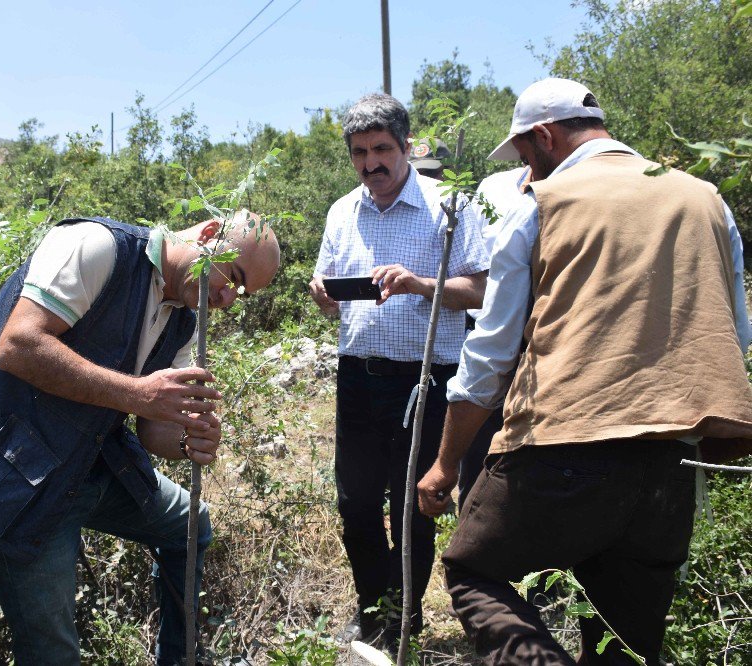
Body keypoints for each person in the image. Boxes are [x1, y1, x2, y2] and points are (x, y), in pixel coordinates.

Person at [417, 77, 752, 664]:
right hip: (672, 460)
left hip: (564, 446)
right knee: (623, 639)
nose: (527, 176)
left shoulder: (540, 207)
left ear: (544, 137)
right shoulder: (707, 200)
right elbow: (736, 337)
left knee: (474, 572)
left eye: (526, 160)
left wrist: (445, 465)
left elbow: (489, 359)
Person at [0, 212, 280, 665]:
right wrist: (140, 393)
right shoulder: (97, 246)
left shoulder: (183, 318)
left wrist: (186, 441)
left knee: (190, 526)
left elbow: (151, 428)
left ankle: (179, 658)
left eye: (241, 294)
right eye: (233, 277)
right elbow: (18, 344)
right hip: (9, 472)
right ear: (208, 234)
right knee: (53, 653)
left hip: (86, 464)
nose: (226, 298)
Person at [308, 92, 490, 645]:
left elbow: (479, 288)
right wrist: (323, 294)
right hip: (358, 377)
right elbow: (327, 283)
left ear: (407, 147)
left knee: (414, 502)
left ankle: (404, 621)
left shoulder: (449, 207)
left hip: (428, 381)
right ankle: (372, 614)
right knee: (356, 502)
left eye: (382, 149)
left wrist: (418, 284)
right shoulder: (343, 210)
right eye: (360, 153)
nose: (371, 164)